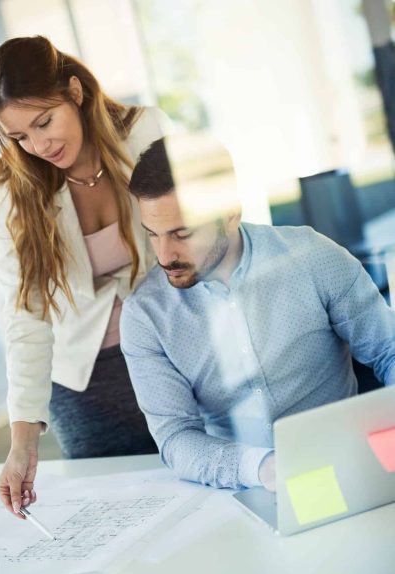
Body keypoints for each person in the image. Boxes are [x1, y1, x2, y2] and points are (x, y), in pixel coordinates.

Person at [120, 138, 395, 492]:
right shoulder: (145, 316)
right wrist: (264, 469)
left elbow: (389, 349)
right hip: (240, 487)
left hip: (346, 468)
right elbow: (175, 438)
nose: (164, 254)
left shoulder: (313, 257)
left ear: (230, 214)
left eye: (182, 233)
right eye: (152, 235)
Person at [0, 36, 165, 518]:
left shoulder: (146, 134)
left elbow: (202, 245)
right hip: (83, 383)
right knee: (118, 516)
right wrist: (22, 442)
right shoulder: (13, 190)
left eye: (44, 121)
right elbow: (25, 316)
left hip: (170, 355)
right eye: (20, 136)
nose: (39, 146)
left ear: (76, 92)